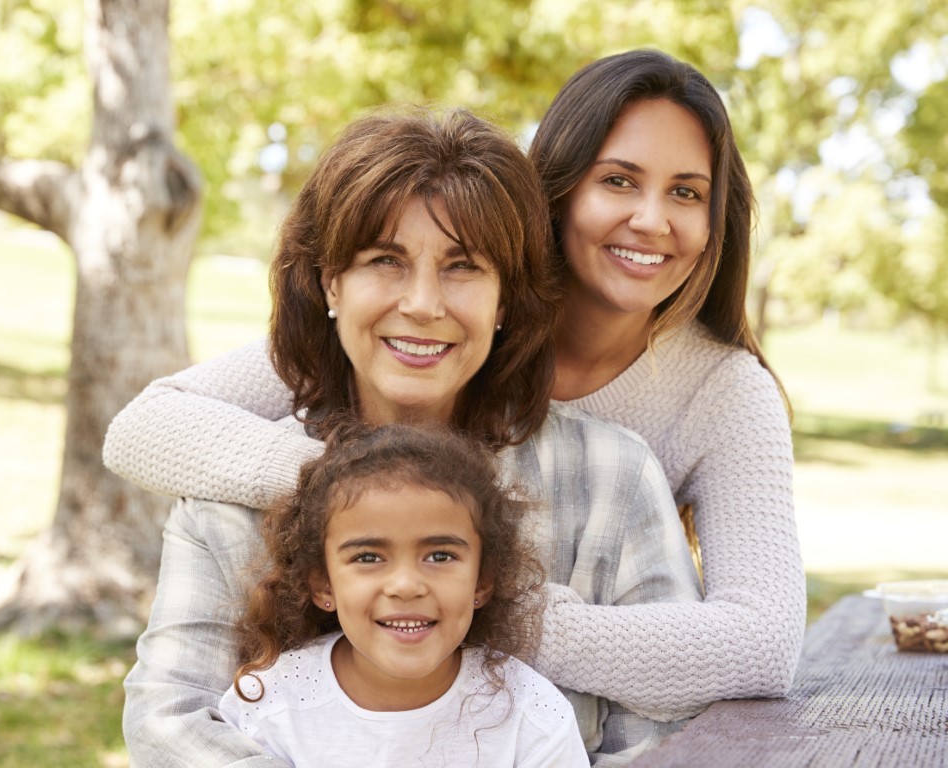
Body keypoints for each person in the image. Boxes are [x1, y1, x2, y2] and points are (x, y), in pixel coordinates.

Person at [104, 49, 806, 721]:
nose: (652, 219)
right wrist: (364, 489)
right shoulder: (415, 328)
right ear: (553, 195)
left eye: (686, 193)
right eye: (618, 180)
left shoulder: (707, 398)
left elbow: (764, 644)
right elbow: (146, 427)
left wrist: (497, 612)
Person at [220, 422, 589, 767]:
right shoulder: (267, 705)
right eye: (368, 557)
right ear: (323, 585)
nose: (406, 585)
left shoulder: (532, 715)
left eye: (440, 556)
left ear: (482, 581)